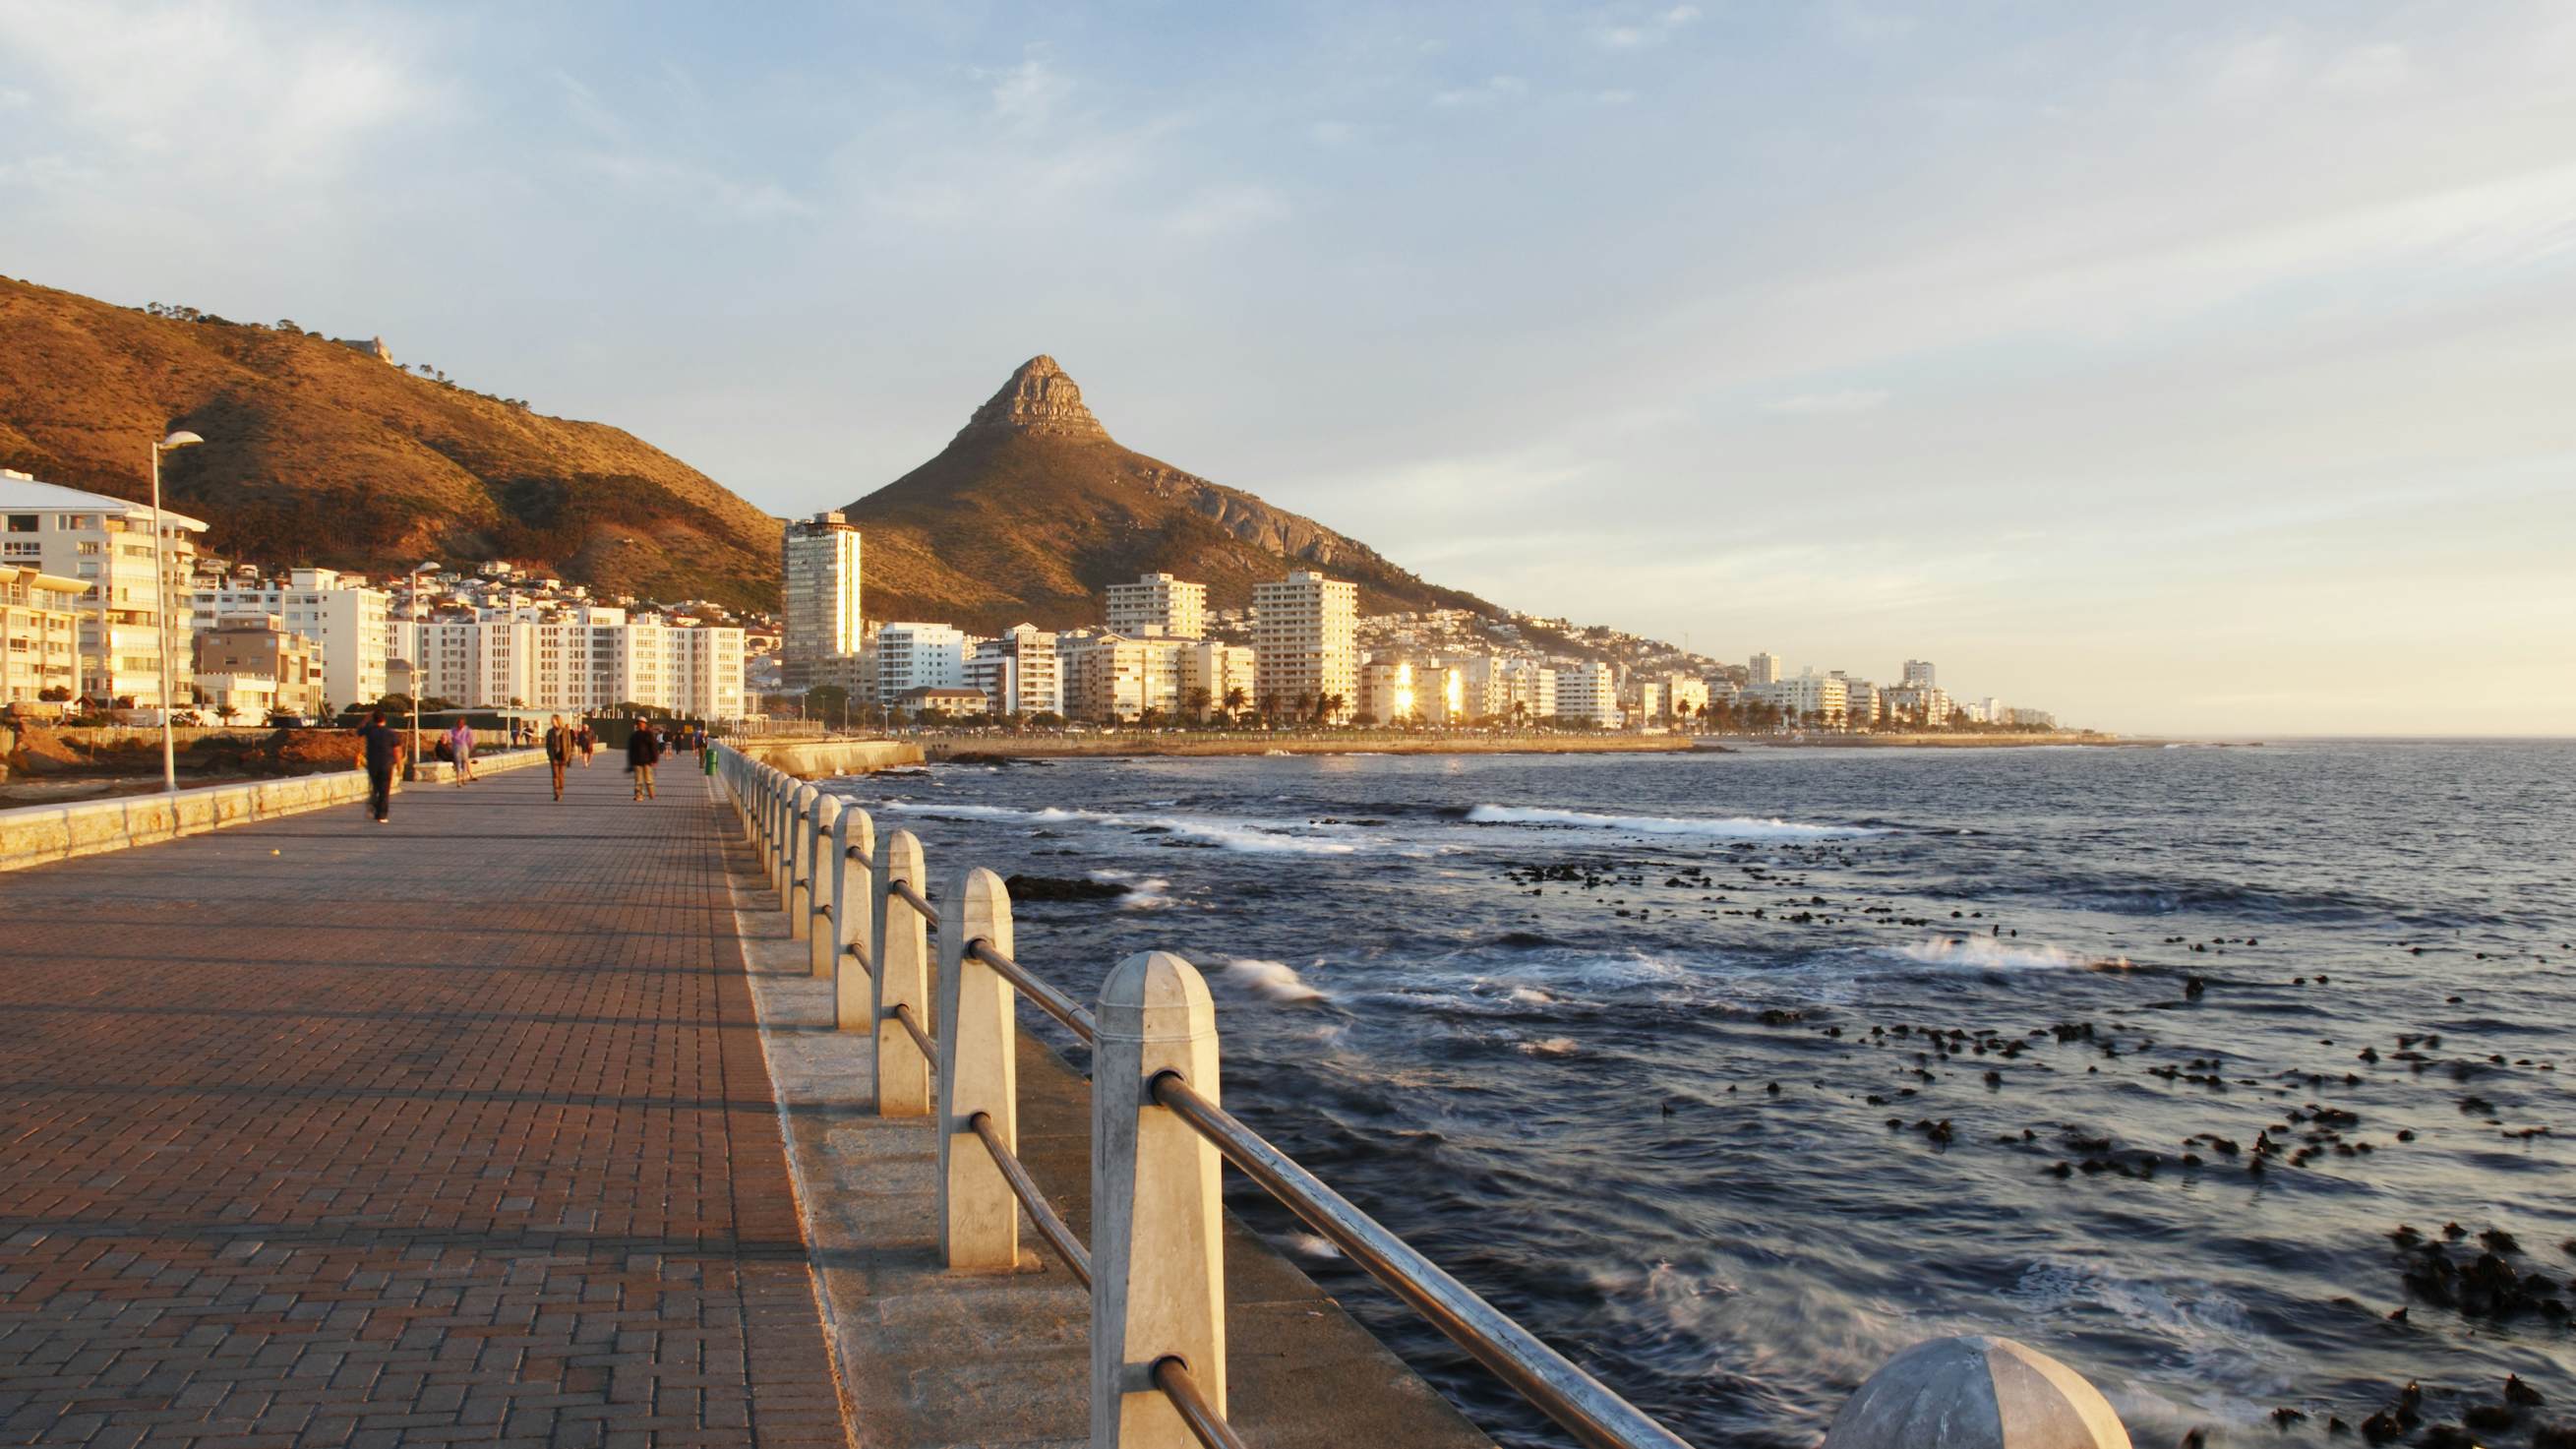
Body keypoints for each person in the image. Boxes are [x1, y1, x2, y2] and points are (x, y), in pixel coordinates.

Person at [352, 708, 403, 823]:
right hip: (386, 765)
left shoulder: (370, 731)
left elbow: (358, 730)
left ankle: (373, 804)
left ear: (373, 720)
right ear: (384, 719)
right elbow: (397, 750)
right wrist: (399, 764)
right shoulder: (390, 733)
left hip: (373, 764)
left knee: (375, 787)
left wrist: (366, 718)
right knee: (384, 790)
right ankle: (382, 815)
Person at [627, 717, 663, 801]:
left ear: (645, 724)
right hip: (637, 761)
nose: (640, 724)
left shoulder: (649, 734)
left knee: (648, 779)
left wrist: (655, 760)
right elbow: (631, 750)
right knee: (638, 781)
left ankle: (651, 793)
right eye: (639, 723)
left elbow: (654, 747)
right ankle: (639, 796)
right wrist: (631, 762)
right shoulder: (634, 736)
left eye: (642, 723)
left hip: (647, 761)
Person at [543, 713, 573, 802]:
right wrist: (549, 754)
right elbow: (548, 745)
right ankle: (557, 792)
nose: (552, 722)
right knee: (555, 775)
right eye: (551, 720)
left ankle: (560, 790)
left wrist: (568, 756)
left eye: (553, 720)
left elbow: (569, 744)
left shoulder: (565, 731)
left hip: (563, 756)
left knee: (561, 775)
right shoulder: (550, 732)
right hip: (554, 757)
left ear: (558, 721)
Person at [449, 719, 476, 785]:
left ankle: (463, 778)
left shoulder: (467, 729)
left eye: (461, 724)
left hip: (464, 746)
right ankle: (458, 781)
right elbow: (450, 737)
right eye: (459, 724)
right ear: (457, 723)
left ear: (463, 724)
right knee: (458, 763)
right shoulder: (453, 730)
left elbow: (470, 738)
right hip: (457, 747)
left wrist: (471, 745)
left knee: (465, 762)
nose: (460, 725)